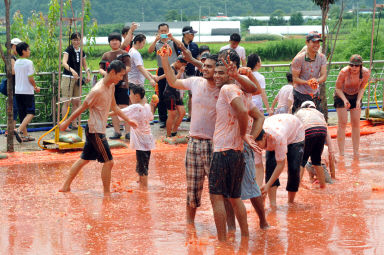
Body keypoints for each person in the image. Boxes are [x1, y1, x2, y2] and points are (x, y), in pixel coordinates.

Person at [160, 46, 259, 230]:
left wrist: (238, 74)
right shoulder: (196, 82)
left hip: (216, 146)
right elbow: (173, 81)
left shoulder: (227, 88)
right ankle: (190, 228)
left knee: (222, 194)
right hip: (194, 143)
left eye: (209, 67)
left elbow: (253, 93)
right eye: (203, 66)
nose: (204, 69)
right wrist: (164, 59)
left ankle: (230, 231)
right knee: (193, 190)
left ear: (219, 72)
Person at [59, 60, 137, 195]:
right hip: (95, 131)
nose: (121, 78)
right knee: (109, 162)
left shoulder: (111, 86)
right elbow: (82, 108)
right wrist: (66, 122)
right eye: (120, 75)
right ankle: (106, 193)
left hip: (96, 129)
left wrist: (128, 120)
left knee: (84, 159)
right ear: (112, 72)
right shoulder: (97, 90)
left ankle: (65, 186)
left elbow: (114, 107)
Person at [209, 60, 262, 241]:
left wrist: (243, 134)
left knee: (216, 197)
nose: (216, 75)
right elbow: (255, 90)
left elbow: (241, 111)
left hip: (223, 150)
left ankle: (222, 243)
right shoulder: (244, 93)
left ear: (229, 75)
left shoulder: (228, 89)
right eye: (215, 72)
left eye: (220, 72)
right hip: (238, 152)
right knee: (235, 197)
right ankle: (245, 238)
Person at [255, 114, 305, 207]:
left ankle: (291, 202)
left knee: (294, 168)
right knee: (270, 166)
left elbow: (280, 164)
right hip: (278, 125)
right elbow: (258, 167)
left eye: (258, 144)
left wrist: (267, 185)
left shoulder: (278, 137)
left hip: (295, 133)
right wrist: (258, 190)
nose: (257, 147)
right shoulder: (254, 142)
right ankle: (273, 205)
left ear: (264, 136)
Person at [117, 85, 156, 187]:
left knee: (143, 166)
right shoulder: (146, 106)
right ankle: (141, 182)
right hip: (147, 140)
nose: (129, 96)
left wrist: (106, 113)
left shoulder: (135, 107)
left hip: (141, 142)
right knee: (143, 163)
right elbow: (151, 118)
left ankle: (144, 188)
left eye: (130, 94)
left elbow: (119, 113)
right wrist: (152, 105)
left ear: (137, 96)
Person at [334, 54, 370, 157]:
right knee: (343, 122)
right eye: (352, 65)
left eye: (356, 65)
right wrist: (345, 100)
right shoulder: (344, 72)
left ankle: (356, 151)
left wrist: (358, 100)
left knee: (356, 123)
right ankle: (341, 153)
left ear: (361, 66)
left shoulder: (365, 73)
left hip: (356, 95)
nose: (354, 67)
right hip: (341, 94)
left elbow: (362, 87)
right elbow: (338, 88)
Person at [99, 32, 131, 140]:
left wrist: (118, 75)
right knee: (112, 108)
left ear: (120, 41)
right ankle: (117, 132)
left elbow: (128, 67)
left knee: (124, 108)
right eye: (112, 40)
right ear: (109, 42)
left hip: (122, 85)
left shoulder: (124, 53)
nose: (114, 42)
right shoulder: (106, 55)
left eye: (116, 40)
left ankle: (128, 132)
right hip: (109, 86)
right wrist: (108, 75)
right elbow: (101, 69)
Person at [148, 23, 179, 128]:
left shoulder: (172, 42)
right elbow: (149, 51)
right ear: (158, 32)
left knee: (174, 94)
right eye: (161, 31)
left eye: (165, 30)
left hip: (173, 69)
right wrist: (155, 40)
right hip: (161, 70)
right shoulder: (157, 44)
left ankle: (175, 117)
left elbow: (181, 47)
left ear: (168, 30)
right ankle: (162, 119)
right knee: (161, 94)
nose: (164, 33)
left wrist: (172, 38)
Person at [295, 101, 332, 188]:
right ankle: (323, 185)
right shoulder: (319, 113)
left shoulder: (300, 112)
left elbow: (295, 128)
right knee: (316, 161)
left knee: (302, 161)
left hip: (309, 130)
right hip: (322, 131)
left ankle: (298, 186)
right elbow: (325, 127)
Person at [60, 32, 91, 131]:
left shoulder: (82, 52)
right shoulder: (68, 50)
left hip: (78, 78)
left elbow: (85, 65)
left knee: (76, 101)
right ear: (71, 40)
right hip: (67, 77)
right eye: (74, 39)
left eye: (78, 39)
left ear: (81, 40)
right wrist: (72, 71)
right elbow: (64, 63)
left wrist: (88, 74)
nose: (76, 41)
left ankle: (74, 123)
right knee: (66, 101)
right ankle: (64, 123)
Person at [291, 31, 327, 113]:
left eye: (318, 42)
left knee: (317, 118)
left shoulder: (322, 57)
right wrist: (308, 82)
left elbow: (323, 76)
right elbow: (295, 79)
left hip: (315, 93)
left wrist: (316, 81)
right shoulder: (298, 59)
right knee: (299, 120)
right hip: (300, 94)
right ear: (307, 42)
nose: (316, 45)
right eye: (313, 42)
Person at [14, 42, 40, 143]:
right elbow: (30, 78)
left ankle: (25, 135)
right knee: (31, 112)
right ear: (24, 51)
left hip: (18, 91)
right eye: (28, 49)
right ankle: (18, 130)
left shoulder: (16, 62)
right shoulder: (29, 62)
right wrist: (35, 87)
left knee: (22, 114)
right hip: (27, 91)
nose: (29, 51)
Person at [162, 55, 187, 137]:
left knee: (182, 112)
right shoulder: (171, 69)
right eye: (183, 65)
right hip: (170, 94)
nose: (183, 67)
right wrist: (180, 73)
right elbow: (173, 81)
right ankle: (168, 135)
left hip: (176, 93)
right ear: (178, 62)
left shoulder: (177, 68)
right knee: (172, 115)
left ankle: (174, 130)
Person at [3, 38, 21, 131]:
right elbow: (13, 71)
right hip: (13, 87)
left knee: (15, 108)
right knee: (14, 108)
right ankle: (10, 130)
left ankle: (11, 129)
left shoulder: (12, 57)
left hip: (14, 86)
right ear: (14, 46)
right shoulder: (11, 57)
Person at [182, 26, 199, 122]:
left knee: (192, 95)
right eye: (191, 34)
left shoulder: (194, 46)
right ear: (185, 34)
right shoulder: (178, 45)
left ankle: (191, 115)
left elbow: (197, 58)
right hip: (180, 72)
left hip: (192, 73)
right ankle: (177, 116)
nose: (193, 35)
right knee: (178, 95)